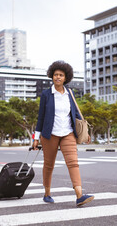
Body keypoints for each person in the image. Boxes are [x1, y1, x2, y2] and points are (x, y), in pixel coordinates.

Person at [32, 60, 94, 207]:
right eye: (55, 75)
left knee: (73, 163)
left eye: (61, 75)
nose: (57, 77)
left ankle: (79, 195)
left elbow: (76, 114)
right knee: (49, 165)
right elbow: (40, 117)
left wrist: (85, 133)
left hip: (68, 133)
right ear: (51, 76)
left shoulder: (70, 94)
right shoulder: (47, 94)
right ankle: (47, 193)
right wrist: (36, 138)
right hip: (50, 134)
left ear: (66, 77)